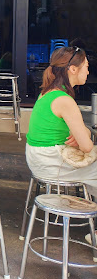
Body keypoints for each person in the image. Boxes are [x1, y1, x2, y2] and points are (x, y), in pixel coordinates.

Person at [26, 47, 95, 199]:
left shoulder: (47, 92)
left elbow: (82, 134)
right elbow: (87, 146)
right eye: (87, 67)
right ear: (73, 69)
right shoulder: (64, 100)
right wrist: (85, 134)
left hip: (39, 159)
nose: (88, 72)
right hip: (52, 163)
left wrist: (84, 133)